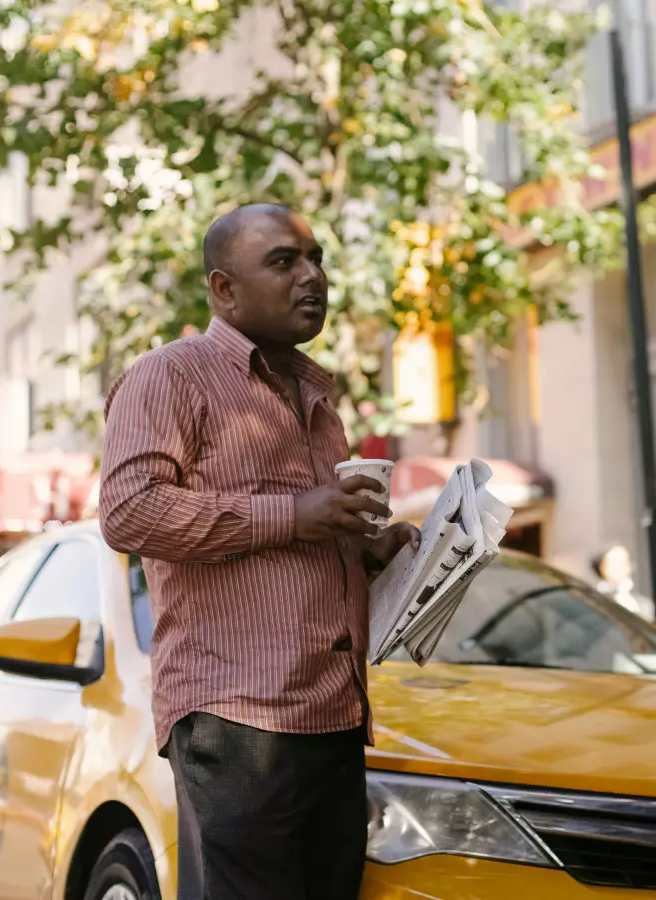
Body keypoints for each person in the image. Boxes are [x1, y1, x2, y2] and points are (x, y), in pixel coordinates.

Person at [98, 203, 420, 900]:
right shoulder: (169, 376)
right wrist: (292, 515)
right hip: (238, 719)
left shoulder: (316, 394)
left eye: (317, 259)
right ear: (223, 289)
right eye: (283, 261)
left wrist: (368, 552)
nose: (312, 277)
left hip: (334, 713)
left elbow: (301, 543)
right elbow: (128, 512)